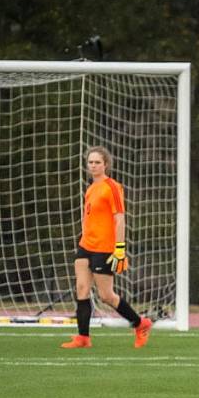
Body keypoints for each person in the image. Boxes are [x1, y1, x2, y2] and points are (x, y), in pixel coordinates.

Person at [61, 146, 153, 349]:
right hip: (86, 245)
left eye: (97, 162)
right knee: (82, 288)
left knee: (106, 296)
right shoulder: (91, 188)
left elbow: (119, 219)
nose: (93, 166)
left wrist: (119, 248)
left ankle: (140, 323)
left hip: (104, 248)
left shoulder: (112, 187)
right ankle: (83, 337)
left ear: (106, 165)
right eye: (90, 162)